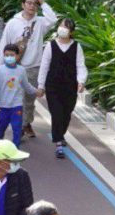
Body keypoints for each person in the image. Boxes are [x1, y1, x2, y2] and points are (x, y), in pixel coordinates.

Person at [0, 0, 58, 139]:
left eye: (34, 4)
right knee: (17, 100)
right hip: (16, 67)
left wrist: (42, 2)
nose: (31, 6)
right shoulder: (13, 23)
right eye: (29, 3)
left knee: (29, 101)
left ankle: (26, 122)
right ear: (23, 5)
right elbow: (5, 44)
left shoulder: (41, 23)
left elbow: (53, 19)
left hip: (34, 67)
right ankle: (20, 128)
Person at [36, 17, 86, 159]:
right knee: (56, 113)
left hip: (70, 87)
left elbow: (81, 65)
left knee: (66, 114)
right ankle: (58, 143)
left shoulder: (77, 47)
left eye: (66, 27)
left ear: (71, 32)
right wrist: (41, 85)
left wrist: (81, 81)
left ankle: (60, 134)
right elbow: (44, 66)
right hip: (53, 86)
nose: (63, 29)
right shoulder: (51, 46)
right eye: (61, 25)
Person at [0, 43, 38, 146]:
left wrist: (36, 91)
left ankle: (16, 149)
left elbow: (26, 86)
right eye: (6, 55)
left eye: (12, 55)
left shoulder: (21, 70)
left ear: (17, 56)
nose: (9, 57)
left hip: (16, 106)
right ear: (3, 55)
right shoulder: (0, 70)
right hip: (3, 106)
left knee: (17, 128)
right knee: (2, 127)